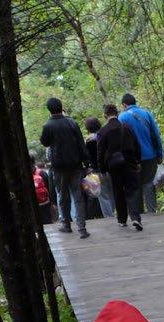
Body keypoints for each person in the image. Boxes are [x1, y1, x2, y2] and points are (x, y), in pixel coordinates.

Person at [39, 96, 90, 239]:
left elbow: (44, 142)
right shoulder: (72, 123)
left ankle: (66, 225)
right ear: (61, 107)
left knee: (63, 196)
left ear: (49, 110)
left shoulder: (48, 126)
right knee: (78, 197)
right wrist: (86, 163)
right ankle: (82, 228)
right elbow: (81, 143)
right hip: (75, 165)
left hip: (58, 167)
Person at [97, 105, 142, 230]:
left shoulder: (103, 131)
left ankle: (122, 219)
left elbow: (100, 152)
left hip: (113, 166)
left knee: (118, 191)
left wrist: (102, 169)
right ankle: (135, 218)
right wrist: (138, 161)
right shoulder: (127, 127)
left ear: (105, 115)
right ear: (117, 113)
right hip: (130, 163)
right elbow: (137, 145)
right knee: (132, 190)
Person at [119, 93, 163, 213]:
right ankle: (152, 211)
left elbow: (120, 141)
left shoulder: (122, 118)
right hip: (150, 156)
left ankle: (139, 215)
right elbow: (156, 135)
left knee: (135, 186)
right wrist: (159, 154)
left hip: (133, 159)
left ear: (124, 104)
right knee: (149, 185)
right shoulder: (147, 114)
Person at [84, 116, 115, 218]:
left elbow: (87, 156)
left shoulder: (89, 141)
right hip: (110, 168)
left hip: (97, 171)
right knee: (112, 192)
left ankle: (109, 217)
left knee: (103, 196)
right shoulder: (105, 134)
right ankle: (114, 212)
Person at [30, 154, 52, 225]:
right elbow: (49, 188)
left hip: (31, 205)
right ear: (34, 161)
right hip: (44, 203)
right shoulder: (41, 172)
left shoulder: (22, 174)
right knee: (48, 224)